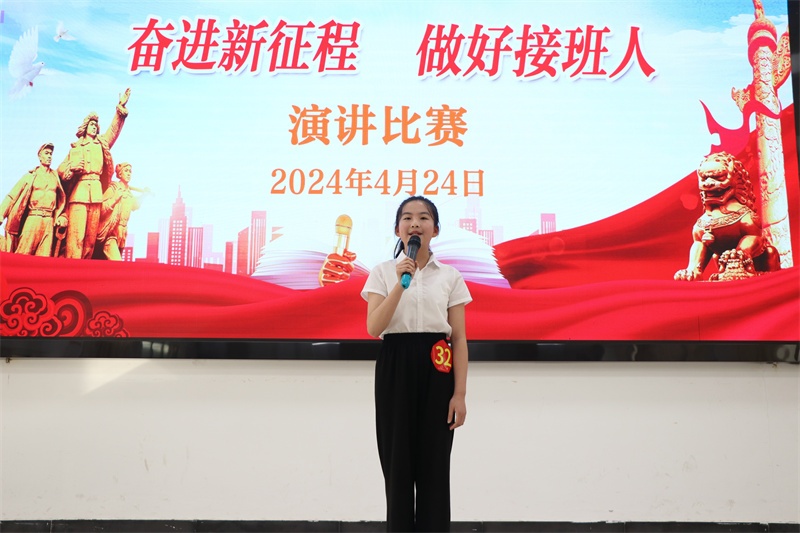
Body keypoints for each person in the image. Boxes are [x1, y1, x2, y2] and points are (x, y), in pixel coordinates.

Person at [361, 196, 471, 532]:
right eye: (407, 218)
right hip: (395, 365)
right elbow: (374, 327)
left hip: (438, 366)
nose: (415, 224)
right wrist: (400, 283)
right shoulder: (382, 273)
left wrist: (460, 394)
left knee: (434, 467)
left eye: (424, 218)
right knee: (398, 465)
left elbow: (459, 339)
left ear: (435, 230)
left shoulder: (450, 276)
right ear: (398, 229)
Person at [58, 88, 130, 259]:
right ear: (85, 127)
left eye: (95, 125)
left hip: (96, 195)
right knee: (76, 237)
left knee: (90, 239)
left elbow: (113, 131)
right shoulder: (76, 148)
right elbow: (61, 170)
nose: (93, 127)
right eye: (91, 124)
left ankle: (85, 268)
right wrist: (72, 167)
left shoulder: (101, 144)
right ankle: (71, 267)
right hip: (79, 194)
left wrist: (120, 109)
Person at [0, 142, 67, 255]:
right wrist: (1, 213)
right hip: (33, 218)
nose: (49, 156)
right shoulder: (30, 176)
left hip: (49, 221)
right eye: (46, 153)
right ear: (40, 156)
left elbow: (62, 202)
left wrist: (62, 217)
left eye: (51, 154)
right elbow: (12, 196)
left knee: (44, 257)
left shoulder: (55, 178)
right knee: (23, 253)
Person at [96, 162, 148, 260]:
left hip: (122, 232)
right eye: (126, 171)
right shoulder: (114, 189)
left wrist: (144, 195)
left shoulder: (128, 192)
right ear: (120, 174)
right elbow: (101, 209)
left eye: (130, 171)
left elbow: (135, 205)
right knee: (117, 262)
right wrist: (114, 199)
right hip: (111, 232)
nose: (128, 173)